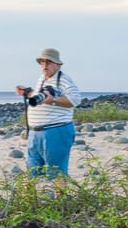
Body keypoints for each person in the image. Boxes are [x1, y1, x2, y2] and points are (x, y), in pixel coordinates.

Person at [14, 48, 81, 181]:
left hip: (55, 131)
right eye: (42, 62)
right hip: (35, 133)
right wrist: (28, 92)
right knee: (32, 171)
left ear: (57, 64)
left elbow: (75, 99)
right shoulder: (43, 79)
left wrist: (54, 100)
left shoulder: (64, 80)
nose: (44, 65)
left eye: (49, 62)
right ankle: (30, 201)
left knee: (56, 173)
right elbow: (41, 98)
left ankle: (60, 201)